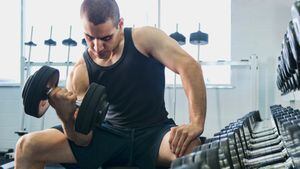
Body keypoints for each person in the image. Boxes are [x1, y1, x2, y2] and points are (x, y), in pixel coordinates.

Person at [15, 0, 207, 168]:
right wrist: (65, 116)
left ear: (120, 24)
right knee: (27, 146)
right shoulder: (80, 71)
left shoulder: (144, 38)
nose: (97, 47)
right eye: (90, 38)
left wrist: (196, 122)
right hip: (107, 136)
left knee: (194, 152)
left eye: (106, 38)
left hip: (154, 133)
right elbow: (82, 139)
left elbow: (189, 66)